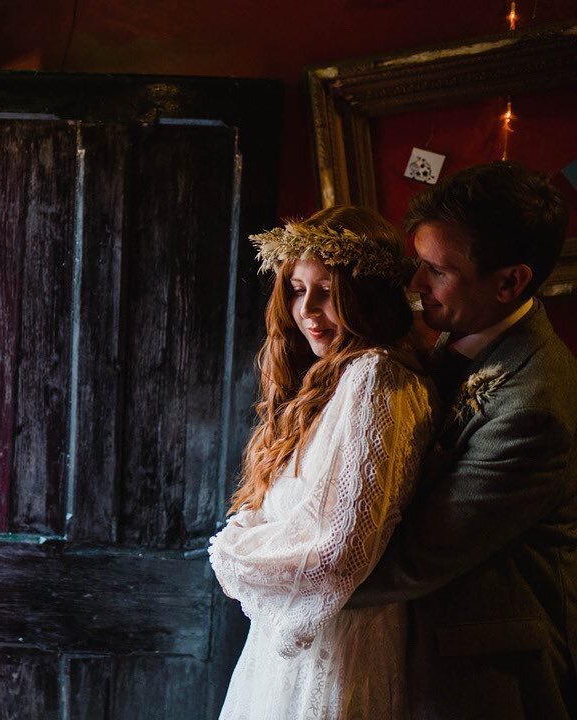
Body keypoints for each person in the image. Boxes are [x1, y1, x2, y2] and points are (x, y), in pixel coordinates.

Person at [347, 161, 576, 719]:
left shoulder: (533, 408)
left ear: (509, 282)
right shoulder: (456, 337)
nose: (414, 284)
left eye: (436, 270)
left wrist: (276, 580)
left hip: (481, 678)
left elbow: (415, 558)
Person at [208, 206, 434, 719]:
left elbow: (339, 552)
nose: (307, 309)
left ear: (368, 297)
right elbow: (282, 513)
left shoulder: (375, 378)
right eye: (295, 288)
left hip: (338, 653)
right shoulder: (331, 380)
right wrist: (250, 530)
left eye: (328, 292)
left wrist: (231, 554)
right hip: (288, 651)